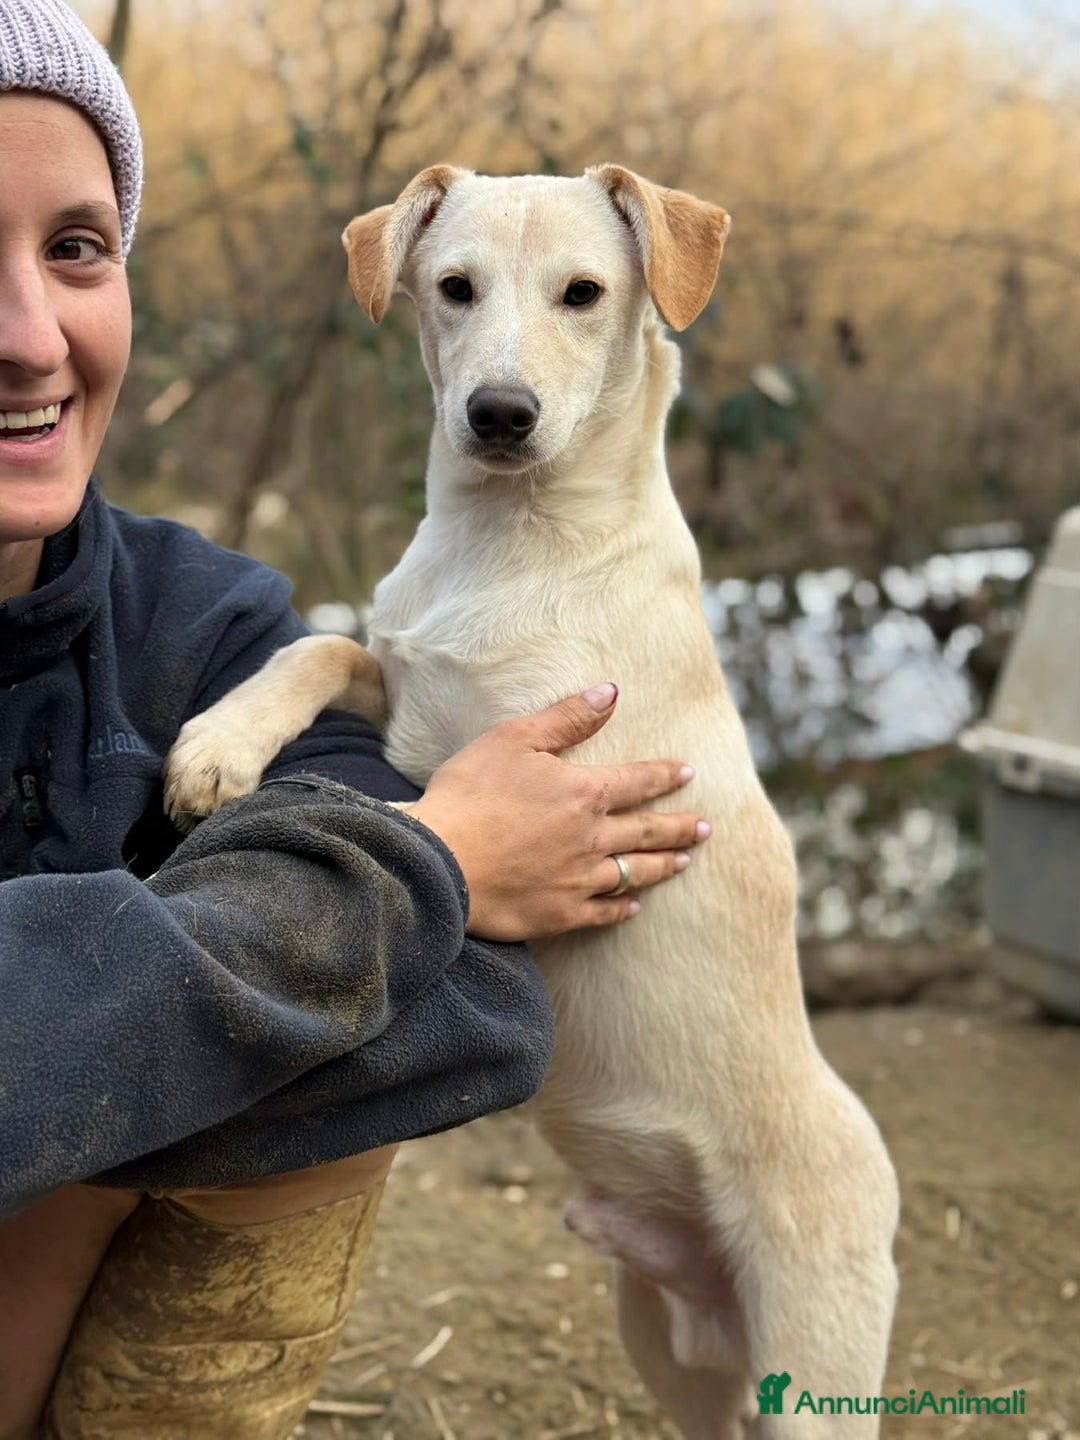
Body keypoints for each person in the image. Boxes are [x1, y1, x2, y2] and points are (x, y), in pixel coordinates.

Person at [0, 3, 711, 1436]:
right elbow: (447, 910)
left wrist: (83, 1061)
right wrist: (431, 867)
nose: (29, 339)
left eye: (75, 248)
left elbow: (474, 1012)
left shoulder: (208, 624)